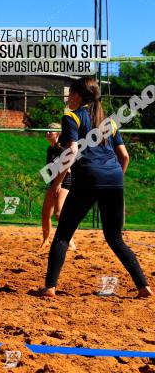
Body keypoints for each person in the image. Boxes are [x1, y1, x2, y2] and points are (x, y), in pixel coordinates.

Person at [40, 76, 151, 298]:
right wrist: (114, 179)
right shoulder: (109, 121)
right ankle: (143, 286)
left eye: (70, 94)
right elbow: (125, 157)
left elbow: (71, 152)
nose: (68, 98)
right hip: (114, 179)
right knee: (115, 238)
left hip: (88, 179)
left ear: (79, 96)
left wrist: (58, 182)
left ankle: (50, 287)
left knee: (62, 235)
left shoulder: (71, 116)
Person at [41, 123, 75, 251]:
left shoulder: (62, 148)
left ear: (58, 134)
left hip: (64, 181)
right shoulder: (50, 149)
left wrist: (58, 183)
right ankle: (45, 241)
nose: (48, 133)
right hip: (54, 182)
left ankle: (70, 242)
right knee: (45, 213)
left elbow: (68, 169)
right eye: (47, 130)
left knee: (59, 213)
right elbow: (50, 169)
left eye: (51, 131)